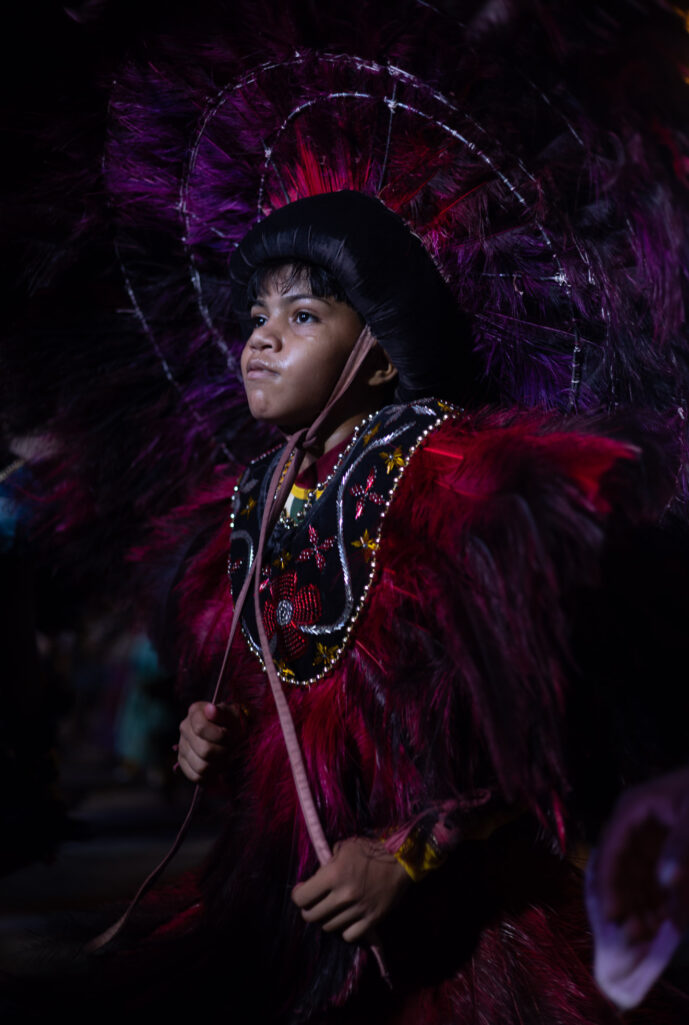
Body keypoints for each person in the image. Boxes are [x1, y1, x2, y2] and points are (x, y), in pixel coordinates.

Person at [109, 190, 684, 1023]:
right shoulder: (256, 501)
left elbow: (558, 734)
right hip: (289, 914)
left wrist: (409, 854)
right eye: (257, 316)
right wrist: (224, 734)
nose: (260, 337)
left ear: (377, 353)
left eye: (303, 315)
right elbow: (295, 715)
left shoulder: (464, 490)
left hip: (463, 934)